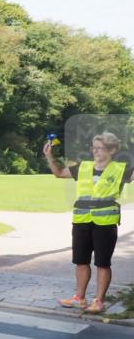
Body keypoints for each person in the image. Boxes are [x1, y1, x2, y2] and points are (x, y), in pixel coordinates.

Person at [45, 131, 132, 314]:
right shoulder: (83, 167)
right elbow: (59, 173)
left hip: (105, 222)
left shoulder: (121, 169)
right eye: (94, 147)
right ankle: (79, 298)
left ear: (112, 150)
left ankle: (98, 301)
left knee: (102, 263)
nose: (95, 151)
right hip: (82, 221)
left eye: (100, 148)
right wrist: (49, 156)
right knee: (81, 261)